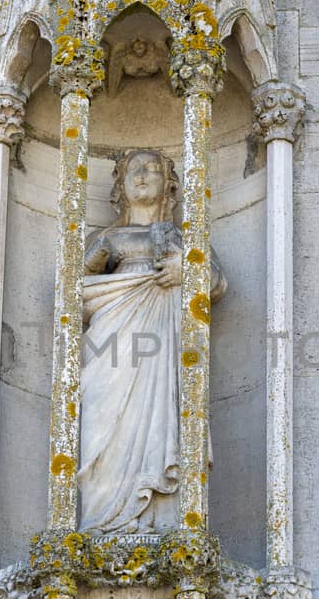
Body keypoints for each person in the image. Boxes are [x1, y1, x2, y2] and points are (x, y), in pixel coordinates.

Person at [78, 147, 226, 532]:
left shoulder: (183, 238)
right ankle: (103, 518)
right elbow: (71, 291)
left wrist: (187, 270)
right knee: (102, 420)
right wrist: (97, 257)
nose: (142, 175)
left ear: (169, 184)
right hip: (114, 337)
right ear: (121, 186)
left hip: (164, 337)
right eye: (134, 170)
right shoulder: (107, 237)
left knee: (165, 416)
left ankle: (161, 517)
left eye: (152, 169)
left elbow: (216, 282)